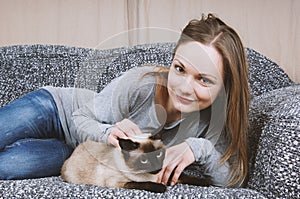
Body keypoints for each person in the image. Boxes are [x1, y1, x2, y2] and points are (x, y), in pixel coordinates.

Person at [0, 13, 249, 187]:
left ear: (225, 87)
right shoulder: (142, 84)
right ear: (171, 61)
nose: (184, 87)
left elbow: (233, 180)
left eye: (203, 79)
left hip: (74, 153)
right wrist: (108, 132)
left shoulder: (216, 120)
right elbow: (80, 118)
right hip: (56, 110)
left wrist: (199, 148)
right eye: (180, 69)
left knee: (8, 167)